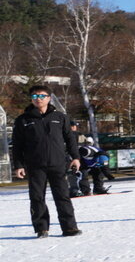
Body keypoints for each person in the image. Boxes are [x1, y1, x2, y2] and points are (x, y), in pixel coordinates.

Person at [10, 85, 82, 238]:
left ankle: (69, 228)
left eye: (42, 96)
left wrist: (75, 157)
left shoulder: (60, 117)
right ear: (31, 99)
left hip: (58, 164)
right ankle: (41, 228)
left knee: (62, 196)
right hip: (35, 165)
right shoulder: (23, 120)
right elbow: (17, 145)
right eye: (35, 96)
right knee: (37, 197)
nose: (39, 99)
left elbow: (70, 140)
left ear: (49, 98)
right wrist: (18, 165)